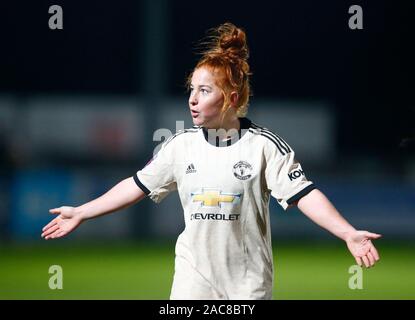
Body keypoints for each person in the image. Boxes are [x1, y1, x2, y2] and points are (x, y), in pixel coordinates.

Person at [41, 22, 381, 300]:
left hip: (247, 287)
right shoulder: (179, 145)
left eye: (204, 91)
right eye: (191, 89)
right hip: (192, 283)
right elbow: (136, 185)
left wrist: (347, 232)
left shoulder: (263, 146)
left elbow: (304, 194)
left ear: (231, 98)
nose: (192, 99)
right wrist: (83, 212)